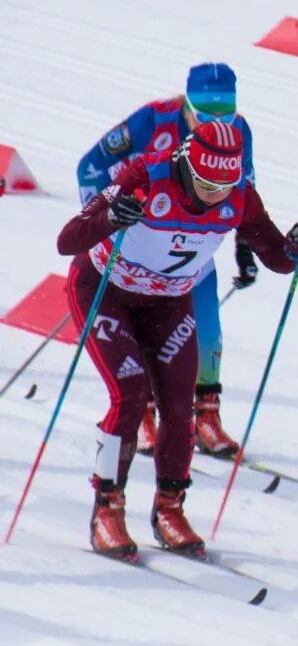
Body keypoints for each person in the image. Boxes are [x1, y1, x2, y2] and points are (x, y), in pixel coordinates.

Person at [57, 120, 298, 560]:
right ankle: (107, 508)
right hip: (106, 291)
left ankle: (169, 508)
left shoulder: (238, 196)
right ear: (185, 166)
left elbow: (277, 256)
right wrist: (110, 218)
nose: (214, 195)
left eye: (225, 185)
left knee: (181, 405)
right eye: (204, 184)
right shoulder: (144, 176)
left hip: (167, 303)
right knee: (130, 393)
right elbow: (68, 239)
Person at [77, 62, 260, 459]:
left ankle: (206, 417)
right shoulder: (154, 119)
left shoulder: (238, 132)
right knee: (143, 332)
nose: (216, 123)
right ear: (187, 105)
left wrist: (245, 248)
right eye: (205, 114)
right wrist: (99, 223)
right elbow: (89, 167)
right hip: (141, 248)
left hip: (192, 252)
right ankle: (143, 415)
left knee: (208, 332)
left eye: (226, 114)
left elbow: (245, 190)